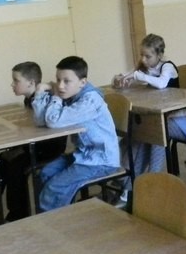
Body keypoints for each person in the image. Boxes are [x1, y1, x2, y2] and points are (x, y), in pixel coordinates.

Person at [0, 61, 67, 221]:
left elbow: (47, 132)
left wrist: (21, 148)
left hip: (47, 147)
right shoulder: (29, 99)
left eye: (16, 80)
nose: (12, 84)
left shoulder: (43, 99)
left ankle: (18, 215)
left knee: (16, 165)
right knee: (1, 159)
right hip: (33, 145)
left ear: (31, 83)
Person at [32, 56, 120, 212]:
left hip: (100, 161)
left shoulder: (90, 101)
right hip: (82, 155)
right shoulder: (71, 94)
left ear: (82, 82)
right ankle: (53, 214)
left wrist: (56, 96)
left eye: (67, 81)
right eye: (58, 80)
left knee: (54, 187)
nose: (60, 86)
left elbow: (53, 121)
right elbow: (40, 121)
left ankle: (52, 221)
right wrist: (39, 92)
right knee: (45, 173)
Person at [112, 34, 179, 202]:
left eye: (148, 56)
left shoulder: (167, 67)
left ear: (159, 55)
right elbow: (127, 76)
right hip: (151, 113)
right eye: (141, 55)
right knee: (136, 136)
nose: (143, 59)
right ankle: (128, 183)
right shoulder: (144, 67)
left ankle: (139, 185)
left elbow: (161, 84)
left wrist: (138, 76)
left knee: (150, 137)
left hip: (169, 114)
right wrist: (120, 80)